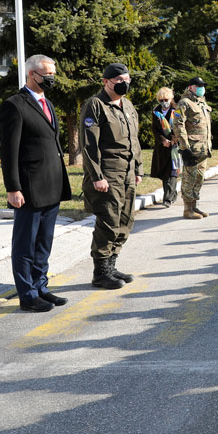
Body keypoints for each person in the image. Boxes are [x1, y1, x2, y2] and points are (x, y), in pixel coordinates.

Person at [0, 54, 72, 312]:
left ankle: (40, 286)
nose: (51, 79)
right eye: (46, 75)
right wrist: (13, 188)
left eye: (53, 74)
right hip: (29, 189)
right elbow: (9, 151)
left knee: (44, 242)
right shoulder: (14, 105)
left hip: (51, 185)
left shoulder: (46, 103)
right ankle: (27, 295)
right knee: (25, 244)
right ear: (31, 74)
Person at [80, 62, 143, 290]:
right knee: (108, 222)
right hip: (108, 174)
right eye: (119, 81)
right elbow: (89, 144)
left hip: (127, 173)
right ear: (106, 82)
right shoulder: (96, 105)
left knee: (125, 221)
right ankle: (101, 272)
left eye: (127, 80)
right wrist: (97, 176)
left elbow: (133, 140)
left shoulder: (127, 105)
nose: (124, 84)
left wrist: (138, 168)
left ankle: (112, 264)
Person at [174, 77, 213, 219]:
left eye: (203, 85)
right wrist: (185, 148)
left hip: (203, 148)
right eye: (199, 85)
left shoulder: (202, 102)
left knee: (199, 177)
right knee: (189, 178)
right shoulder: (184, 103)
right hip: (192, 148)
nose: (202, 87)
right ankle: (187, 209)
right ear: (190, 87)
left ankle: (195, 206)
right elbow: (178, 125)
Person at [150, 87, 179, 208]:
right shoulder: (156, 111)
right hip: (161, 146)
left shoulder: (176, 110)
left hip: (174, 146)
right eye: (161, 100)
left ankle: (168, 198)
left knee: (172, 172)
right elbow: (154, 129)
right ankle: (173, 194)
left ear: (171, 98)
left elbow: (179, 127)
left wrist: (172, 140)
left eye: (165, 99)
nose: (163, 102)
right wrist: (163, 140)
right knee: (164, 173)